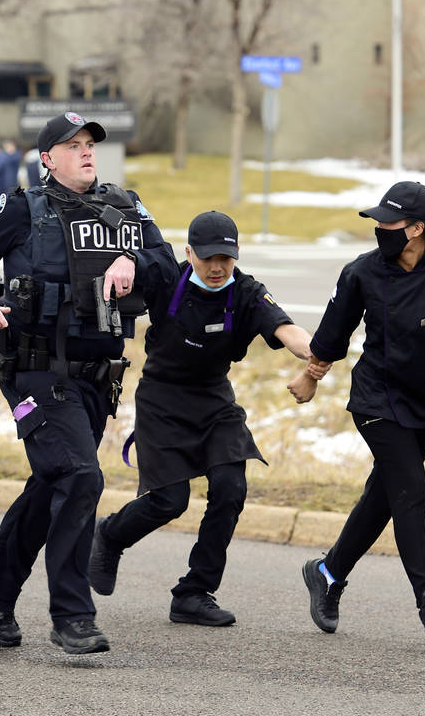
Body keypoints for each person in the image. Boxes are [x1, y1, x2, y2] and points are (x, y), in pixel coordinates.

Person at [0, 111, 176, 655]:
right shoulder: (22, 209)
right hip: (35, 370)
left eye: (90, 143)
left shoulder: (126, 207)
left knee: (54, 481)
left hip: (96, 378)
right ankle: (72, 614)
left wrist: (133, 260)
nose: (87, 151)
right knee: (79, 477)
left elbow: (167, 265)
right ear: (47, 158)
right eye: (72, 145)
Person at [87, 211, 314, 627]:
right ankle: (109, 535)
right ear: (189, 253)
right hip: (162, 399)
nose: (216, 267)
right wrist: (124, 260)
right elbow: (133, 259)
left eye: (225, 258)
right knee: (169, 502)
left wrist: (313, 355)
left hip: (214, 400)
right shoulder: (167, 277)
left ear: (237, 254)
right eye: (207, 257)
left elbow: (284, 328)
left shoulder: (246, 292)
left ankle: (194, 592)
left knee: (230, 487)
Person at [298, 181, 425, 642]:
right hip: (376, 399)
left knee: (385, 494)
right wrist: (311, 375)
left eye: (389, 221)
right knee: (409, 487)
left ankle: (326, 573)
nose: (380, 228)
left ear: (418, 229)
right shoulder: (361, 273)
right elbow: (331, 335)